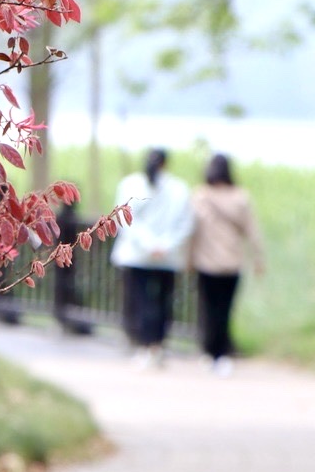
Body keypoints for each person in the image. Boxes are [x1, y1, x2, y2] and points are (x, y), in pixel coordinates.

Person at [110, 147, 194, 360]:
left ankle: (143, 344)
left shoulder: (130, 184)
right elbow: (185, 223)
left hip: (136, 256)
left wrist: (148, 245)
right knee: (163, 303)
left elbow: (125, 220)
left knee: (140, 301)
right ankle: (157, 344)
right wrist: (163, 245)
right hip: (168, 257)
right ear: (166, 164)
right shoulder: (179, 189)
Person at [191, 152, 264, 371]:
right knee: (225, 310)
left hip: (206, 262)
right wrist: (259, 258)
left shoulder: (200, 196)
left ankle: (208, 351)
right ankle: (221, 353)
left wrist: (187, 258)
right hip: (232, 263)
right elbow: (252, 231)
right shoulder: (240, 198)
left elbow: (191, 231)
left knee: (207, 308)